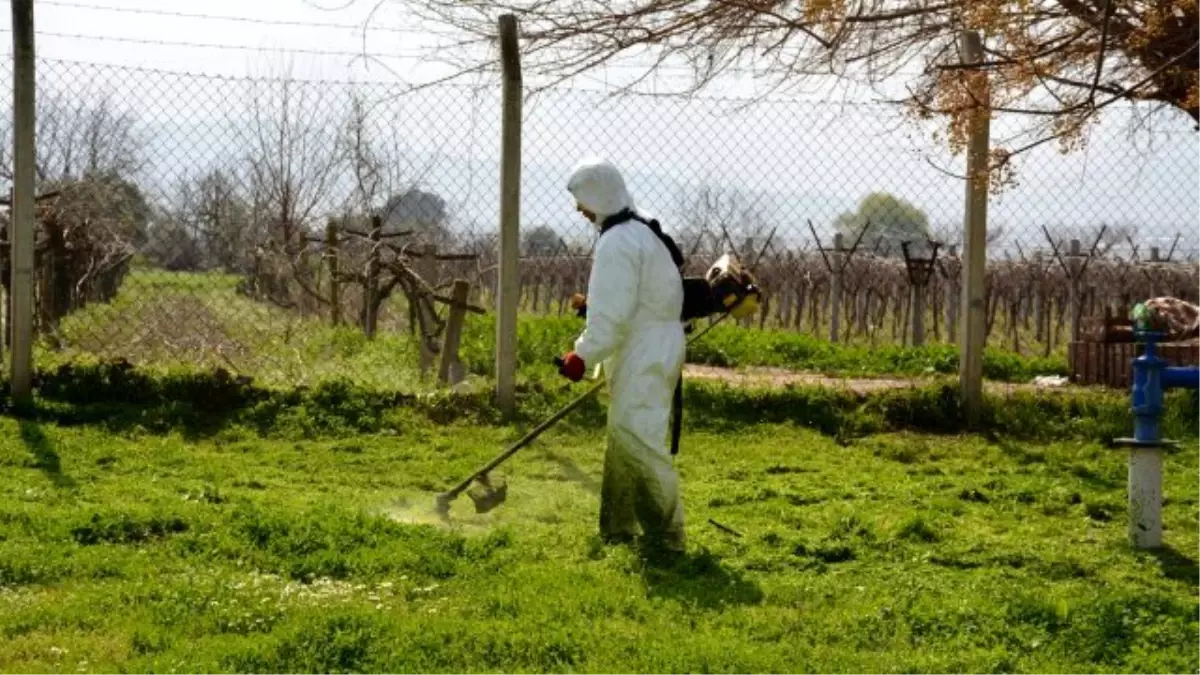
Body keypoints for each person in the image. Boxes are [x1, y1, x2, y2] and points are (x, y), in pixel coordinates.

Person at [556, 157, 687, 556]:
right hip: (649, 342)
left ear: (598, 196)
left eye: (583, 202)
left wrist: (580, 357)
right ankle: (617, 528)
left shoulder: (618, 241)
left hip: (643, 348)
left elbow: (610, 318)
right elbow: (631, 298)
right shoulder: (640, 227)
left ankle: (666, 540)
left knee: (639, 438)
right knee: (625, 435)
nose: (580, 210)